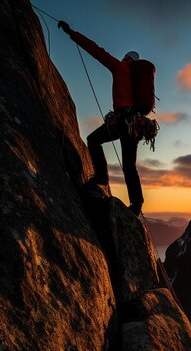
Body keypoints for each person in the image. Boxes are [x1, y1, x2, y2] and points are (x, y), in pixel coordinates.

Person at [58, 20, 146, 214]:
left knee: (93, 140)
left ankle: (101, 177)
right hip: (136, 124)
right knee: (130, 165)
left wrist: (72, 33)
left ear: (125, 58)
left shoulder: (120, 67)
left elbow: (96, 51)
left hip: (121, 120)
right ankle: (137, 204)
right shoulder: (139, 78)